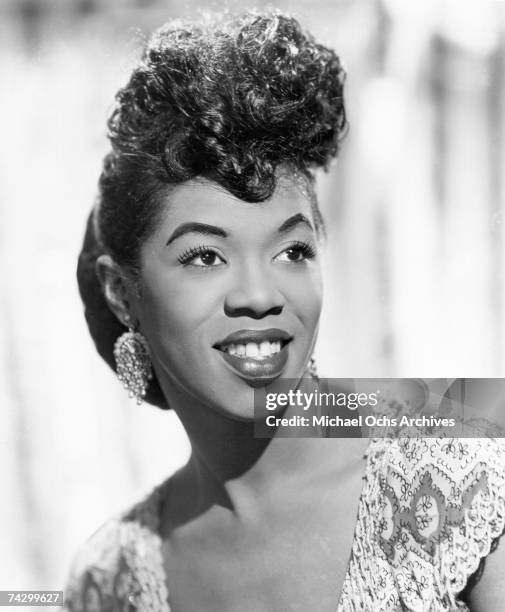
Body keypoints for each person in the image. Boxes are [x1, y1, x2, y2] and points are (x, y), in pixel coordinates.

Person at [64, 11, 505, 611]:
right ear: (122, 291)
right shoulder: (108, 580)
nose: (261, 294)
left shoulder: (469, 486)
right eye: (204, 256)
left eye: (293, 250)